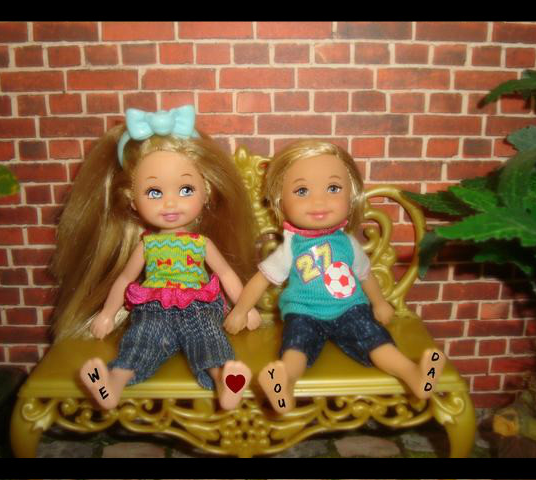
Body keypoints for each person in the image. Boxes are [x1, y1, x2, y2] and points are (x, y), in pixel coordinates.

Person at [50, 106, 261, 410]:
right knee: (141, 342)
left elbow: (227, 274)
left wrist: (244, 308)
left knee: (209, 340)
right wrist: (108, 314)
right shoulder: (146, 245)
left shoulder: (201, 244)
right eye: (153, 192)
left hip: (198, 305)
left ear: (206, 192)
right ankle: (112, 383)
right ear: (132, 201)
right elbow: (125, 279)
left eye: (185, 189)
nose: (170, 203)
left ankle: (223, 380)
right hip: (154, 307)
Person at [225, 140, 445, 413]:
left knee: (376, 341)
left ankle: (414, 375)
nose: (319, 201)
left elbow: (365, 275)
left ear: (351, 196)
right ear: (281, 201)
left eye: (333, 188)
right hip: (304, 312)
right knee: (296, 348)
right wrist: (240, 310)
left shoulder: (347, 243)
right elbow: (262, 279)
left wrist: (379, 303)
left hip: (350, 308)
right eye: (302, 191)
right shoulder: (292, 246)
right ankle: (284, 382)